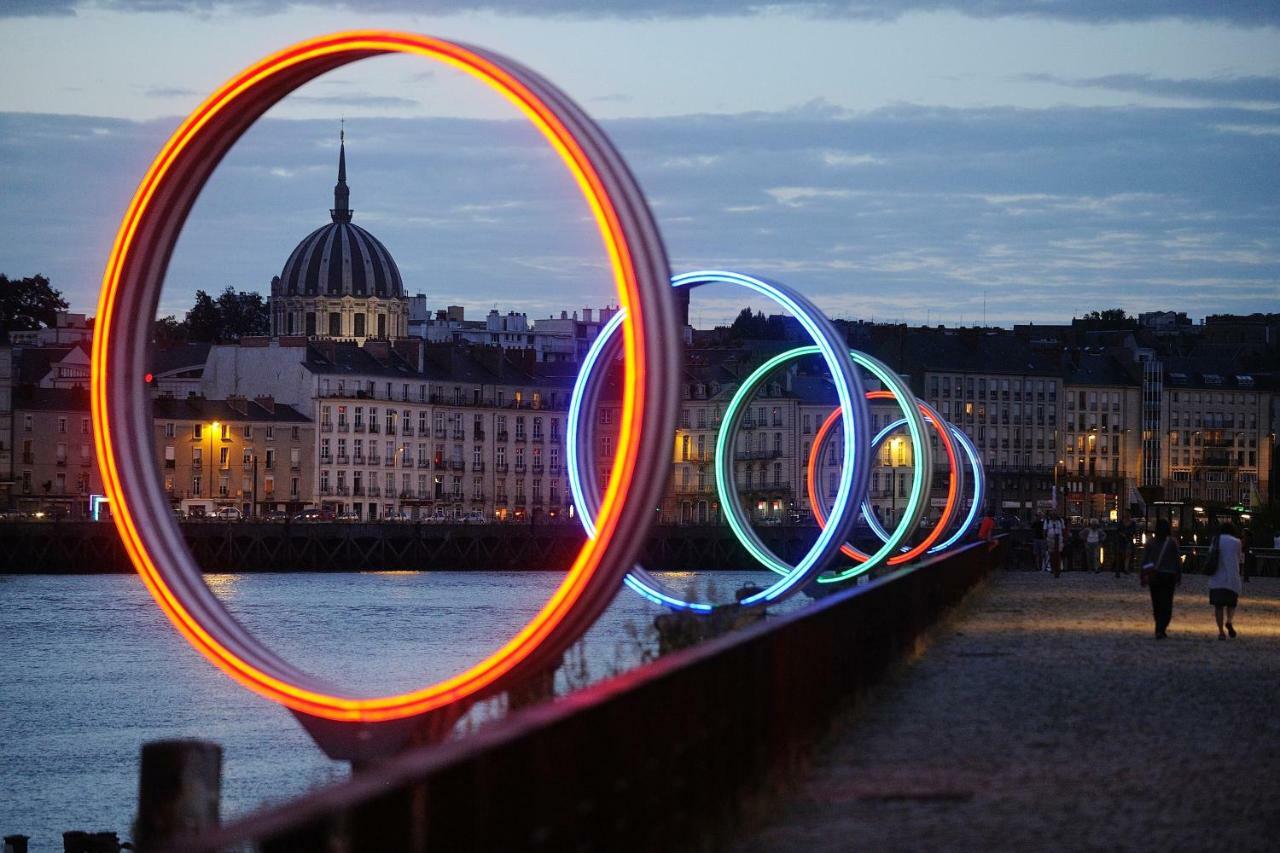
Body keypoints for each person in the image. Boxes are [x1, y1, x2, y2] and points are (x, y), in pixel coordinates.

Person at [1141, 518, 1181, 639]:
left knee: (1156, 602)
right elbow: (1177, 560)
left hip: (1155, 575)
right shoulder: (1172, 543)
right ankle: (1162, 627)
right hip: (1169, 575)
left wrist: (1143, 575)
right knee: (1167, 603)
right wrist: (1179, 575)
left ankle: (1158, 626)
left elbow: (1145, 561)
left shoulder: (1150, 543)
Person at [1206, 522, 1244, 640]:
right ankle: (1229, 621)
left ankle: (1221, 632)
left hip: (1217, 578)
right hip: (1232, 578)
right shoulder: (1237, 542)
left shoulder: (1216, 540)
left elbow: (1210, 554)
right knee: (1231, 604)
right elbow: (1239, 559)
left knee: (1218, 606)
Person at [1113, 513, 1136, 577]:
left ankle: (1125, 568)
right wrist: (1122, 534)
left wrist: (1128, 534)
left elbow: (1134, 531)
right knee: (1121, 555)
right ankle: (1121, 569)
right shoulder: (1121, 522)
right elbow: (1117, 531)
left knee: (1127, 554)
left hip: (1128, 540)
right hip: (1121, 541)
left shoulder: (1132, 523)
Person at [1045, 511, 1065, 578]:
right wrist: (1046, 539)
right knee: (1051, 554)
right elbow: (1044, 530)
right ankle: (1052, 568)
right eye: (1052, 515)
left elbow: (1063, 529)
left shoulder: (1060, 521)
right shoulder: (1047, 521)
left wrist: (1064, 538)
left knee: (1058, 554)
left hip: (1059, 539)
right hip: (1050, 539)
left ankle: (1058, 568)